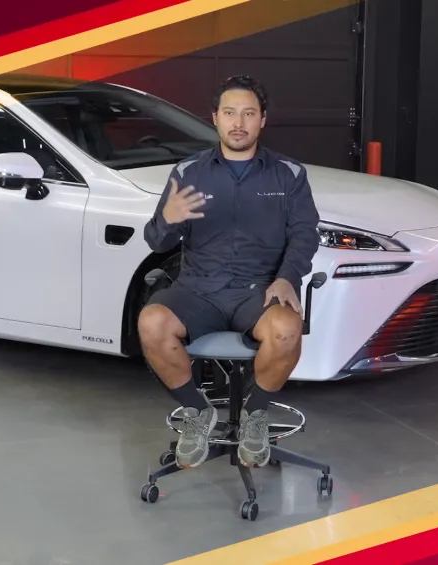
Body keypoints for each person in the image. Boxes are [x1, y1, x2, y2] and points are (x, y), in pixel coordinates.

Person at [138, 75, 320, 470]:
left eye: (249, 114)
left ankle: (255, 416)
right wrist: (167, 221)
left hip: (258, 290)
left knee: (286, 329)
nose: (239, 122)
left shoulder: (288, 174)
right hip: (197, 290)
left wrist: (288, 276)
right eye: (230, 113)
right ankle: (197, 412)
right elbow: (157, 241)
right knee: (152, 323)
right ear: (215, 119)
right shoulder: (188, 172)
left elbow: (305, 235)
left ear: (262, 120)